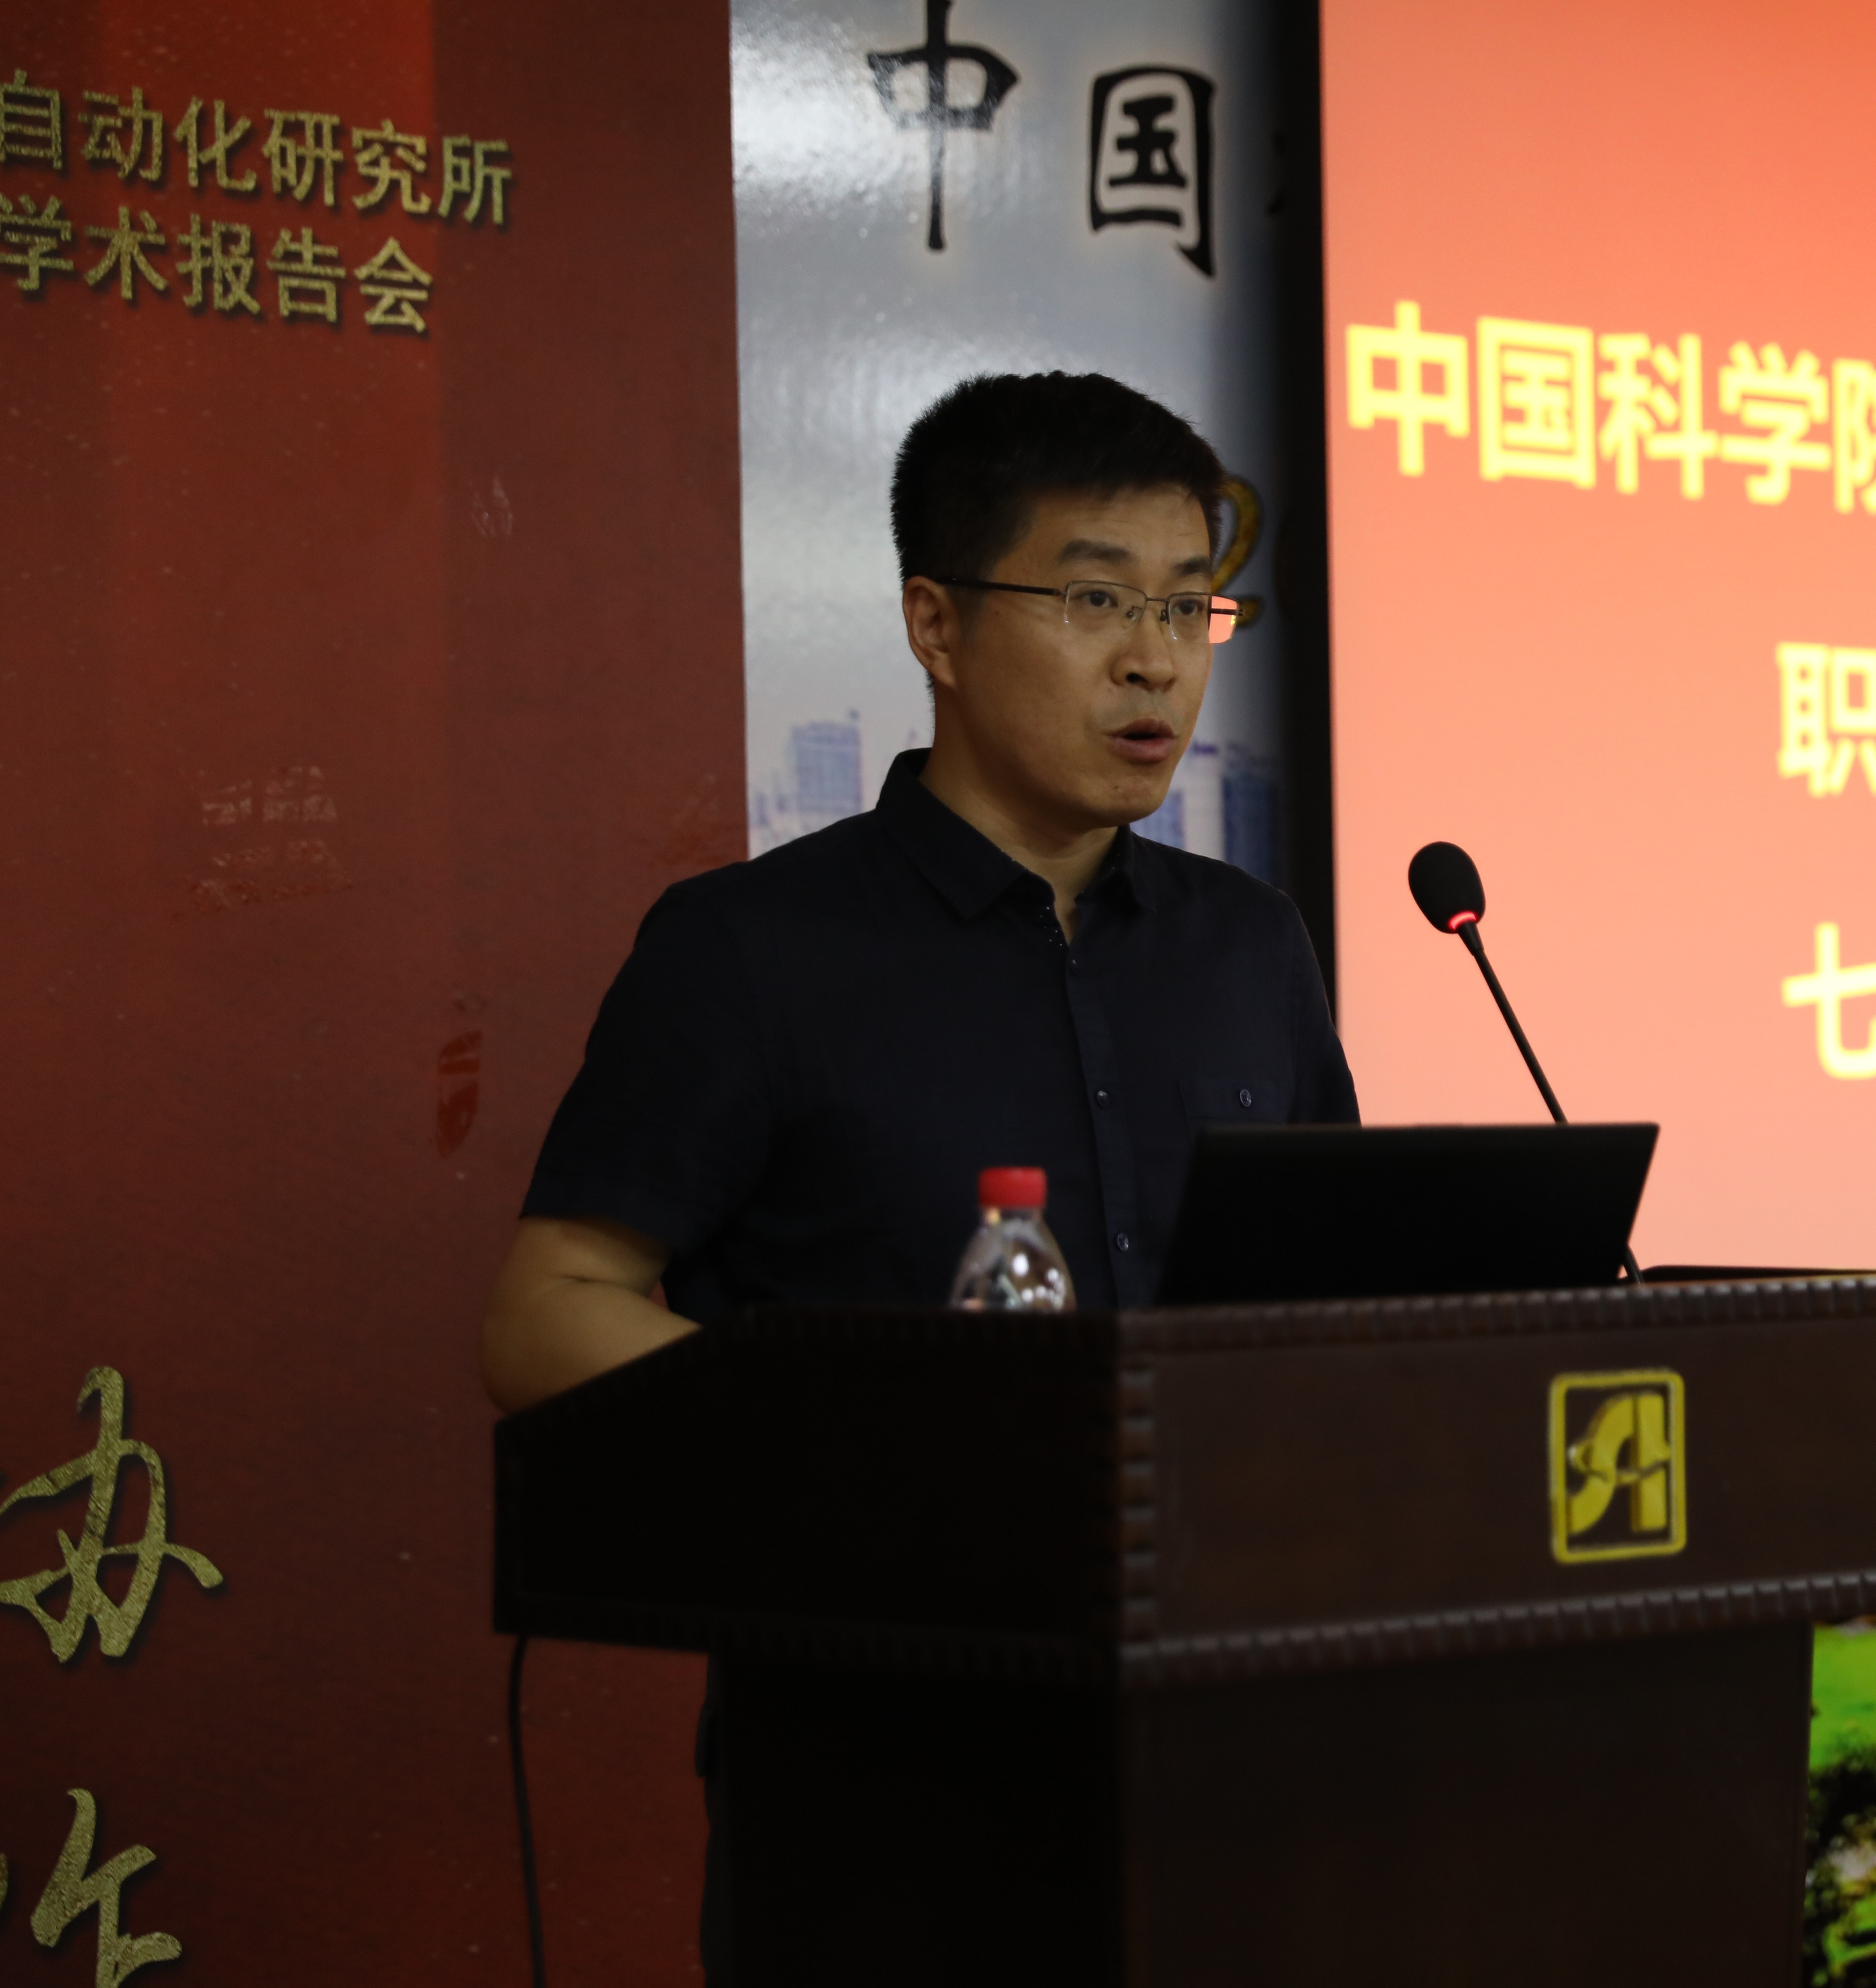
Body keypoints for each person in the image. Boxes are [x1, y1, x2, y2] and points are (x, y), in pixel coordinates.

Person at [480, 371, 1358, 1977]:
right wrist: (869, 1453)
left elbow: (1335, 1296)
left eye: (1188, 606)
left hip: (1232, 1728)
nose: (1156, 659)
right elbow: (549, 1313)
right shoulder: (753, 950)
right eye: (1095, 599)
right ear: (936, 627)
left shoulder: (1252, 947)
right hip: (874, 1761)